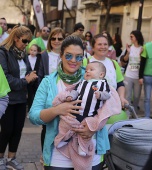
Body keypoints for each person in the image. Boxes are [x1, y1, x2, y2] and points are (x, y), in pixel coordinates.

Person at [29, 36, 121, 170]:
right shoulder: (48, 82)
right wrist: (57, 110)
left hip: (91, 152)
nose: (73, 61)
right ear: (60, 55)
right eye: (68, 56)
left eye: (79, 57)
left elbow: (110, 106)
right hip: (58, 157)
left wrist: (93, 127)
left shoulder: (94, 78)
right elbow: (33, 116)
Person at [53, 61, 118, 170]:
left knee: (87, 130)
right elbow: (75, 92)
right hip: (76, 113)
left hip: (90, 115)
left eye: (91, 70)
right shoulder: (82, 83)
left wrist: (100, 94)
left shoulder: (102, 84)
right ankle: (62, 138)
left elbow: (108, 95)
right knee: (66, 122)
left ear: (101, 74)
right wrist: (70, 97)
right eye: (87, 70)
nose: (87, 71)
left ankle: (83, 148)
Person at [0, 25, 38, 170]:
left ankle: (11, 158)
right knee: (6, 130)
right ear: (15, 38)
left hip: (21, 98)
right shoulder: (3, 52)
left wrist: (31, 75)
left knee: (18, 129)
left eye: (29, 41)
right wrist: (25, 81)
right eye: (24, 41)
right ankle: (0, 158)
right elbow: (5, 78)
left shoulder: (23, 54)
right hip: (7, 98)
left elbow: (26, 71)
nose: (26, 44)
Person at [38, 27, 65, 162]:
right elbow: (40, 76)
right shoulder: (44, 55)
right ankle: (45, 154)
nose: (56, 41)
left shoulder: (67, 54)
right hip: (49, 96)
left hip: (65, 95)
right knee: (47, 126)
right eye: (53, 38)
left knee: (63, 125)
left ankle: (60, 154)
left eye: (59, 38)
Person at [83, 34, 128, 107]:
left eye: (105, 44)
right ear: (93, 48)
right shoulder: (85, 62)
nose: (103, 47)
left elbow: (120, 84)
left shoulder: (114, 63)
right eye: (99, 44)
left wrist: (121, 97)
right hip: (91, 106)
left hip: (111, 105)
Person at [120, 30, 144, 114]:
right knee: (128, 96)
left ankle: (135, 113)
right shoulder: (129, 47)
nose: (130, 38)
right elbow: (124, 60)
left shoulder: (143, 48)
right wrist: (128, 52)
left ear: (136, 37)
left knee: (137, 96)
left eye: (131, 36)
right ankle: (127, 114)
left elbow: (144, 62)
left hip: (138, 76)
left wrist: (141, 54)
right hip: (128, 75)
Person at [27, 44, 41, 111]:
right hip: (29, 80)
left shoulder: (39, 58)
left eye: (34, 51)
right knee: (29, 96)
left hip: (36, 80)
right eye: (31, 50)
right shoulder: (26, 58)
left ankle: (35, 110)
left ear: (37, 51)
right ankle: (30, 110)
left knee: (36, 95)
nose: (32, 52)